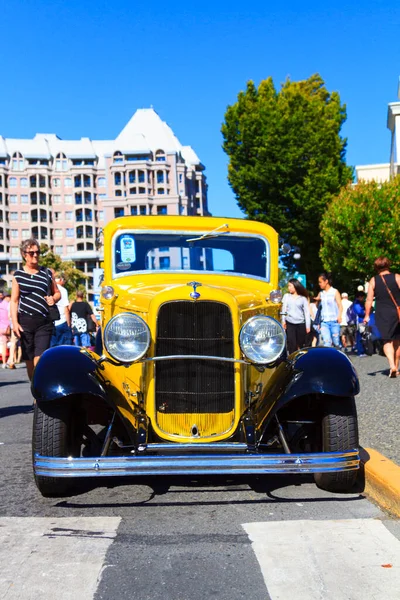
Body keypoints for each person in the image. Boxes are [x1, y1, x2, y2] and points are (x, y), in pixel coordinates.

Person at [10, 238, 61, 380]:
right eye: (31, 252)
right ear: (24, 254)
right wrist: (15, 323)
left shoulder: (47, 273)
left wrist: (54, 298)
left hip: (44, 322)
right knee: (29, 360)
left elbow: (57, 293)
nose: (35, 255)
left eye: (37, 252)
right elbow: (14, 301)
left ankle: (38, 395)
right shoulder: (18, 275)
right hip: (25, 321)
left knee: (39, 358)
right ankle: (34, 387)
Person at [364, 256, 400, 377]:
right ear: (388, 265)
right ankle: (396, 366)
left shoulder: (373, 280)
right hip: (397, 312)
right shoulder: (397, 277)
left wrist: (367, 315)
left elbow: (369, 300)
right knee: (397, 340)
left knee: (387, 340)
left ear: (376, 267)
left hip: (382, 313)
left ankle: (392, 365)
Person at [281, 279, 311, 354]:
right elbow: (283, 309)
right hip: (290, 323)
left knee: (300, 343)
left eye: (290, 286)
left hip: (301, 323)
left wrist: (308, 326)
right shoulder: (286, 296)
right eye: (288, 286)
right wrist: (283, 321)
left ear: (295, 286)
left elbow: (307, 313)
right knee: (291, 343)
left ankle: (299, 358)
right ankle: (291, 361)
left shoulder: (303, 298)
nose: (289, 288)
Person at [316, 272, 342, 348]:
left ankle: (338, 357)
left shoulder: (335, 291)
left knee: (336, 342)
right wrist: (317, 301)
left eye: (320, 282)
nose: (319, 284)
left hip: (334, 321)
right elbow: (319, 308)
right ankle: (328, 359)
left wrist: (339, 316)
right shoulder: (321, 293)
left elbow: (340, 305)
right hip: (324, 323)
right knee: (326, 343)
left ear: (326, 281)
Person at [50, 272, 73, 347]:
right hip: (62, 321)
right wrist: (69, 324)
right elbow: (65, 309)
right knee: (64, 349)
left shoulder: (48, 288)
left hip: (51, 323)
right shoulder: (63, 290)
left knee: (52, 349)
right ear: (61, 279)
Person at [352, 291, 367, 357]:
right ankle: (360, 351)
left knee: (360, 336)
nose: (363, 298)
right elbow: (359, 312)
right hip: (359, 321)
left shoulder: (357, 303)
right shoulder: (357, 304)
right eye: (363, 297)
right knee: (360, 336)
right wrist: (365, 311)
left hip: (360, 321)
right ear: (360, 297)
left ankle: (360, 350)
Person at [0, 293, 11, 368]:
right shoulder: (7, 305)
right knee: (12, 344)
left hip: (1, 328)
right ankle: (9, 361)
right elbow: (9, 316)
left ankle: (4, 362)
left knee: (3, 345)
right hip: (7, 327)